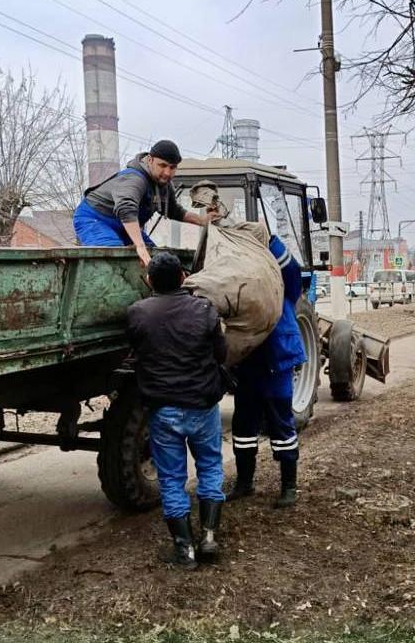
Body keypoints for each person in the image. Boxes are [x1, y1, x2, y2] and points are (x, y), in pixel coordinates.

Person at [126, 252, 228, 570]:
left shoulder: (137, 313)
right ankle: (209, 536)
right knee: (210, 467)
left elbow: (135, 353)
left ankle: (184, 551)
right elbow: (221, 354)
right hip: (203, 405)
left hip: (164, 410)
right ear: (184, 278)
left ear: (149, 281)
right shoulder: (205, 310)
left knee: (171, 479)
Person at [228, 233, 306, 508]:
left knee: (280, 423)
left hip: (276, 362)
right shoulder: (241, 286)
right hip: (248, 364)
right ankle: (245, 482)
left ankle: (289, 486)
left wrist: (269, 240)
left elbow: (293, 270)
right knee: (243, 427)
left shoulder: (282, 287)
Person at [73, 140, 216, 268]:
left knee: (157, 261)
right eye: (163, 165)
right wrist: (140, 246)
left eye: (172, 167)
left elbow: (174, 211)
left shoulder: (165, 186)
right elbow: (126, 208)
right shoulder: (134, 179)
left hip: (123, 225)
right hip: (94, 219)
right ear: (150, 160)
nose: (167, 173)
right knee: (114, 257)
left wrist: (203, 221)